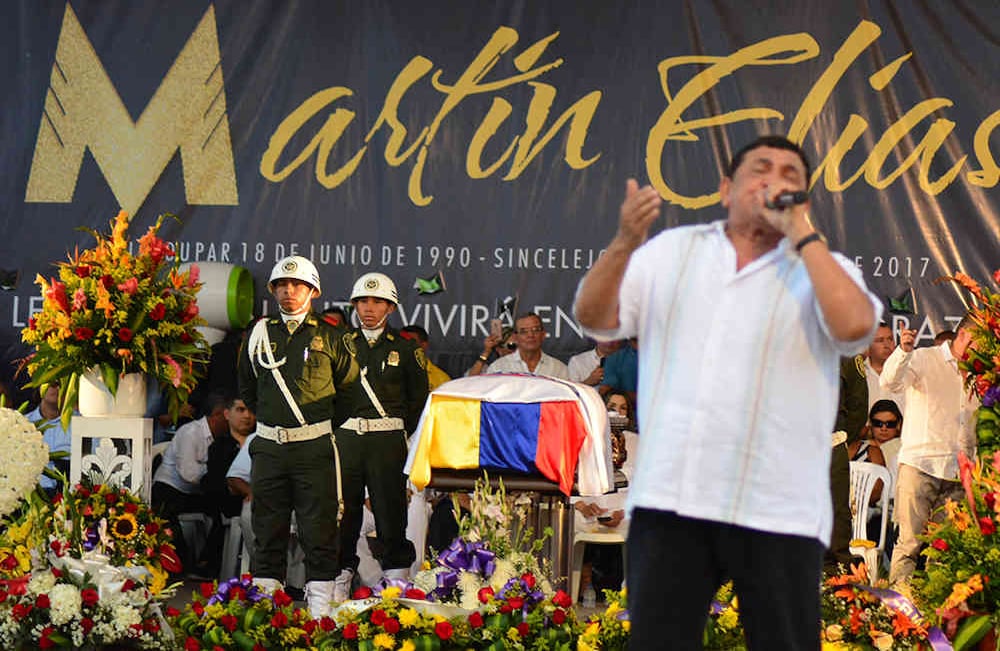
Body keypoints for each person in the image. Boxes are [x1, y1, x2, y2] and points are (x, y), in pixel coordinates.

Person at [573, 134, 880, 649]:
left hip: (780, 505)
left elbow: (854, 328)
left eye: (791, 177)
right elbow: (594, 317)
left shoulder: (823, 267)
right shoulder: (672, 252)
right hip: (675, 498)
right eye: (762, 169)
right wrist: (626, 240)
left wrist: (803, 234)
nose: (775, 181)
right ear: (725, 189)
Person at [237, 255, 359, 618]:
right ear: (273, 290)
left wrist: (313, 429)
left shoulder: (333, 337)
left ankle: (322, 615)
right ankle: (264, 616)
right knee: (267, 529)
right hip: (271, 448)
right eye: (282, 285)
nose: (289, 292)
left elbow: (349, 394)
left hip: (314, 449)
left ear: (314, 291)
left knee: (319, 531)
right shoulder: (258, 333)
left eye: (298, 285)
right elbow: (247, 385)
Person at [333, 272, 429, 601]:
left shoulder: (406, 349)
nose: (368, 308)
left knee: (391, 514)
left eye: (377, 302)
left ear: (391, 307)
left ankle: (397, 590)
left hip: (387, 440)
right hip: (346, 439)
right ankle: (338, 583)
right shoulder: (339, 344)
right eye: (362, 301)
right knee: (343, 513)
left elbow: (418, 402)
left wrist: (395, 432)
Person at [884, 317, 978, 590]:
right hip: (920, 465)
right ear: (963, 334)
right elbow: (890, 382)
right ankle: (898, 615)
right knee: (909, 544)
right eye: (976, 341)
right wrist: (903, 351)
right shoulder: (925, 358)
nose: (979, 349)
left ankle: (935, 612)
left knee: (944, 550)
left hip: (959, 473)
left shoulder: (978, 374)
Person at [151, 390, 230, 573]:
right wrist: (216, 473)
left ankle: (208, 562)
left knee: (225, 508)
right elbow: (188, 473)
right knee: (168, 516)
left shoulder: (223, 438)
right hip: (170, 488)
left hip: (195, 492)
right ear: (217, 415)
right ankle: (181, 566)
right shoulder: (191, 432)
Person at [484, 313, 569, 379]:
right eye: (524, 331)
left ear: (543, 334)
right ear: (516, 337)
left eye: (536, 330)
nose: (530, 335)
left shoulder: (559, 369)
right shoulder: (498, 368)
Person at [26, 384, 71, 495]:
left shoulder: (82, 426)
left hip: (71, 499)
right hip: (29, 498)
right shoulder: (22, 424)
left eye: (59, 382)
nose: (54, 386)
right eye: (49, 382)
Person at [864, 323, 906, 412]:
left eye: (890, 339)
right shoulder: (858, 373)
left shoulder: (906, 371)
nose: (887, 345)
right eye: (880, 340)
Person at [399, 324, 452, 390]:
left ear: (424, 345)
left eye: (411, 342)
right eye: (400, 342)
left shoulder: (442, 380)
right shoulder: (386, 372)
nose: (404, 346)